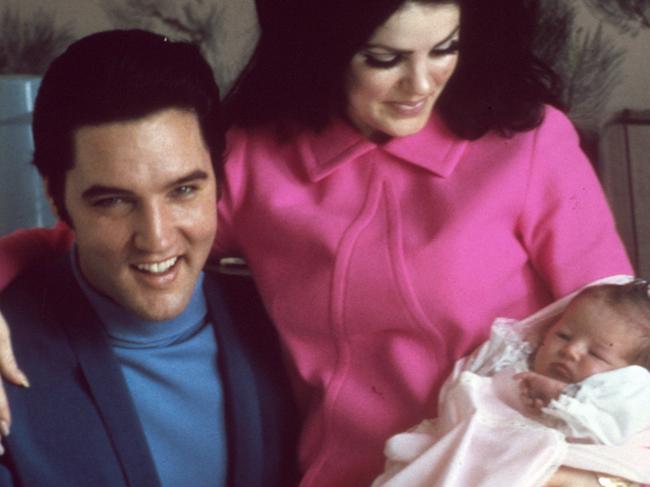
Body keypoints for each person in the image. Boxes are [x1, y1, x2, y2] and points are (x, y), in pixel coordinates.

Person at [0, 1, 637, 485]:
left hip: (522, 471)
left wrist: (585, 469)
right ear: (323, 49)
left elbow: (624, 339)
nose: (421, 83)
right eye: (384, 58)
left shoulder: (529, 145)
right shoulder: (253, 160)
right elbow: (105, 237)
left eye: (445, 48)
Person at [0, 30, 297, 487]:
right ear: (56, 199)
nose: (156, 239)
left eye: (183, 190)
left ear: (219, 180)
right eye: (114, 202)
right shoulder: (8, 352)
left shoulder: (287, 318)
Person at [372, 277, 650, 486]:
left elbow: (607, 432)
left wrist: (560, 395)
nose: (571, 351)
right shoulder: (509, 370)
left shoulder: (625, 401)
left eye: (596, 353)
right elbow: (466, 402)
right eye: (563, 336)